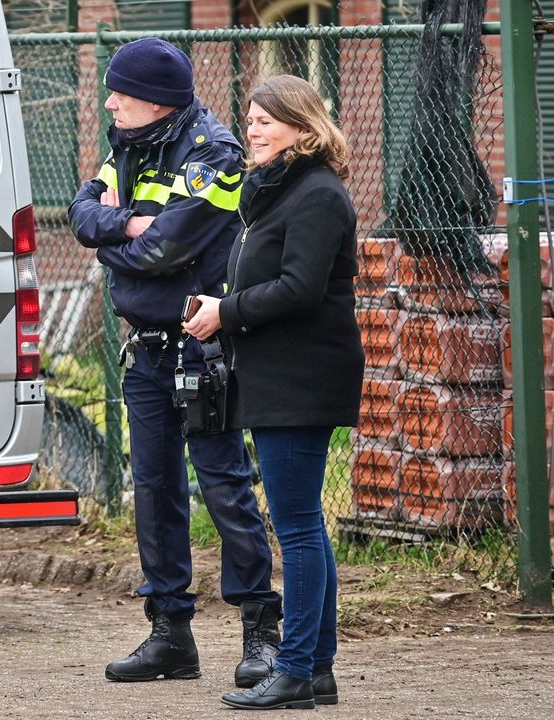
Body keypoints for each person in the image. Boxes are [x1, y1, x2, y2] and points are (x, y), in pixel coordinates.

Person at [67, 38, 282, 686]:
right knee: (155, 493)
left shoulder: (212, 153)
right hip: (147, 350)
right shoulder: (126, 144)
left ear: (155, 100)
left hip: (202, 345)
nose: (109, 103)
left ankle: (261, 631)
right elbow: (81, 215)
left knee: (223, 486)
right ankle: (170, 634)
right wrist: (129, 228)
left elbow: (163, 250)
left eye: (120, 93)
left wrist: (119, 232)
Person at [184, 74, 361, 711]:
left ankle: (293, 670)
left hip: (303, 380)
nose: (252, 129)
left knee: (298, 527)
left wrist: (225, 312)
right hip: (278, 376)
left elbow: (300, 288)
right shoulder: (276, 192)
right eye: (251, 119)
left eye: (267, 120)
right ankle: (314, 669)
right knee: (305, 521)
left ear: (303, 127)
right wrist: (223, 306)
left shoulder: (315, 194)